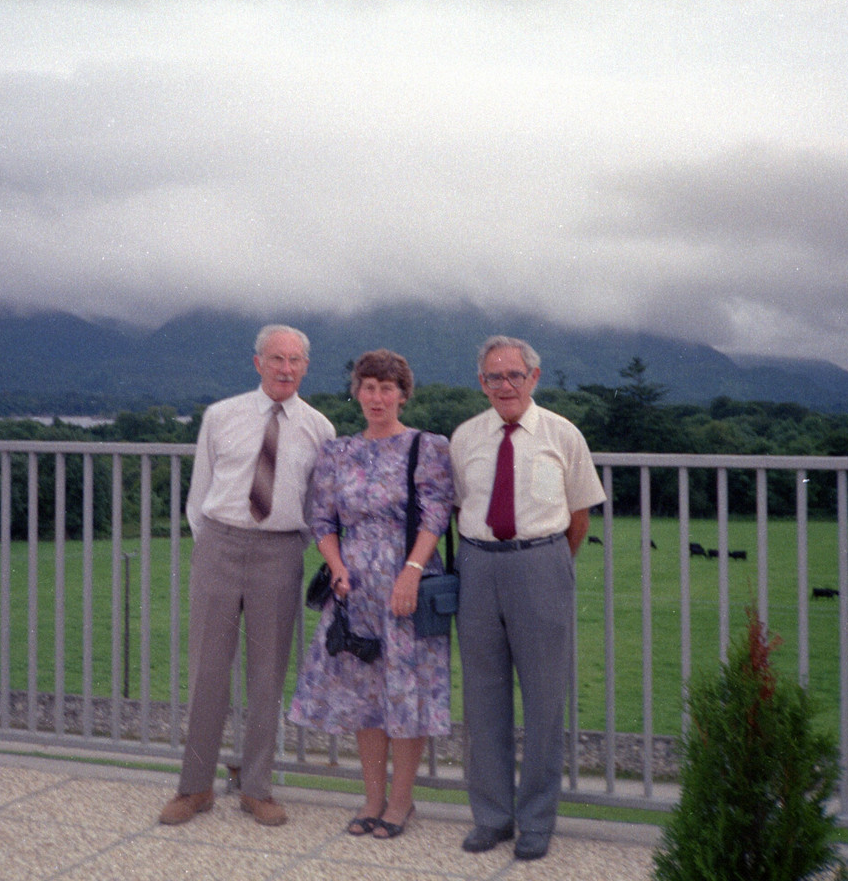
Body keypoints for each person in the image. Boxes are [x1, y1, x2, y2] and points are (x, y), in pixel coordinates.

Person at [159, 324, 336, 827]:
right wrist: (215, 542)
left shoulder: (320, 429)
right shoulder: (221, 416)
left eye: (295, 360)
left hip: (279, 552)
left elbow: (316, 505)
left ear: (306, 367)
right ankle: (195, 788)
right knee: (207, 672)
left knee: (267, 675)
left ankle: (257, 789)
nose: (285, 368)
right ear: (258, 362)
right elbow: (200, 493)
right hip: (219, 544)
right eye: (276, 358)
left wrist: (286, 542)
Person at [449, 335, 606, 861]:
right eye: (494, 376)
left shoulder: (563, 435)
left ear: (534, 378)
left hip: (541, 564)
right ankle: (492, 817)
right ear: (482, 383)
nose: (505, 385)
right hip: (477, 567)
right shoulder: (465, 437)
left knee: (544, 700)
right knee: (482, 698)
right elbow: (461, 506)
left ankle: (536, 822)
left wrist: (546, 561)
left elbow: (579, 515)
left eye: (515, 375)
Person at [288, 349, 454, 839]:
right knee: (366, 696)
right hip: (355, 587)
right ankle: (372, 798)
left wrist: (411, 572)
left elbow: (436, 514)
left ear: (403, 394)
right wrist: (338, 568)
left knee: (407, 692)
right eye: (368, 387)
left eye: (387, 388)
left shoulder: (427, 447)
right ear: (356, 393)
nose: (377, 397)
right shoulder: (336, 452)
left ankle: (401, 802)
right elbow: (322, 519)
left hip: (408, 582)